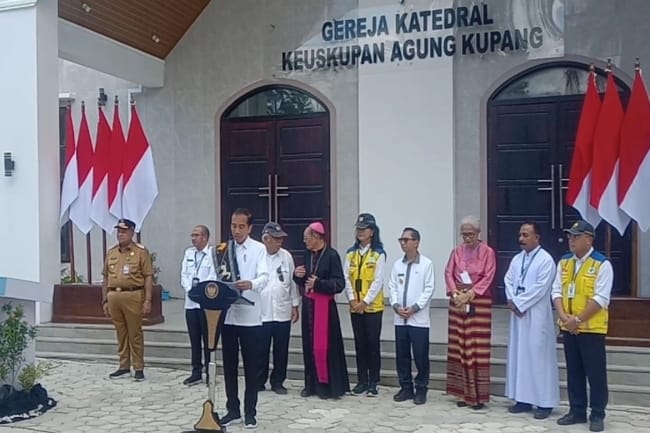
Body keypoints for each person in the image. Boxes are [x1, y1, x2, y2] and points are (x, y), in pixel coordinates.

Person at [551, 220, 613, 433]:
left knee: (595, 373)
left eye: (576, 237)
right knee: (574, 371)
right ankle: (577, 410)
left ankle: (597, 413)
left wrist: (577, 320)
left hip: (591, 329)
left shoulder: (601, 264)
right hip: (568, 327)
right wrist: (564, 318)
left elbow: (600, 298)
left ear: (589, 239)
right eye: (570, 237)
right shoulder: (564, 262)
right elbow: (556, 291)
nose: (571, 240)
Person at [219, 209, 269, 429]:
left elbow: (265, 277)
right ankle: (233, 409)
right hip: (229, 316)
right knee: (229, 366)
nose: (236, 230)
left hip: (250, 317)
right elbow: (216, 277)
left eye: (241, 226)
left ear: (249, 228)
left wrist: (251, 284)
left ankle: (251, 411)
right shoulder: (222, 250)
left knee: (251, 367)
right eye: (233, 226)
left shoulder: (259, 249)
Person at [504, 222, 560, 419]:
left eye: (526, 235)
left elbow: (541, 288)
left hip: (536, 316)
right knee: (520, 355)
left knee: (538, 357)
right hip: (518, 316)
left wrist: (520, 303)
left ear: (537, 237)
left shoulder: (546, 260)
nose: (521, 239)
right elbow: (508, 280)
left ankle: (544, 402)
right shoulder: (517, 259)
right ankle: (523, 399)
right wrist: (512, 301)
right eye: (520, 235)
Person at [444, 215, 496, 409]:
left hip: (479, 303)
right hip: (458, 301)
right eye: (464, 235)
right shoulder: (456, 251)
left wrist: (471, 294)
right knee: (459, 346)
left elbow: (489, 275)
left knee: (476, 348)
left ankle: (478, 396)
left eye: (470, 234)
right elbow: (448, 272)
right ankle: (462, 393)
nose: (467, 238)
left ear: (478, 234)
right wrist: (456, 293)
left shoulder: (488, 252)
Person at [293, 221, 349, 399]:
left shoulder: (332, 255)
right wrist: (298, 276)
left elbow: (339, 284)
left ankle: (327, 387)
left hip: (325, 309)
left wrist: (319, 284)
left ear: (316, 237)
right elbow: (304, 281)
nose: (305, 242)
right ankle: (310, 385)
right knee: (308, 347)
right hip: (309, 306)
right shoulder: (307, 254)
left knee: (326, 348)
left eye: (306, 238)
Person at [101, 218, 153, 382]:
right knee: (120, 333)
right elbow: (105, 277)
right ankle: (123, 366)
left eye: (124, 231)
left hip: (133, 295)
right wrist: (105, 300)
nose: (120, 234)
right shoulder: (111, 252)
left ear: (132, 232)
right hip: (114, 295)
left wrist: (148, 300)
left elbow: (148, 276)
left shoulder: (140, 251)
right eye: (119, 231)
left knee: (134, 333)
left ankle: (138, 367)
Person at [388, 227, 435, 405]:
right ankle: (406, 387)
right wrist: (395, 305)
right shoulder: (397, 264)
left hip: (418, 319)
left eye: (407, 240)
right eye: (401, 240)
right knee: (402, 355)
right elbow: (392, 287)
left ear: (416, 242)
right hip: (400, 318)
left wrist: (415, 307)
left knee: (421, 355)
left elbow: (429, 289)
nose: (403, 243)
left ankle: (421, 388)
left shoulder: (426, 264)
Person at [344, 213, 386, 397]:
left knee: (372, 344)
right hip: (355, 306)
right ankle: (361, 380)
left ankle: (373, 382)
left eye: (364, 229)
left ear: (372, 231)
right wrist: (353, 300)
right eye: (358, 229)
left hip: (372, 308)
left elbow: (378, 281)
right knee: (359, 344)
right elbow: (346, 278)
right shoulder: (351, 253)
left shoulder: (378, 254)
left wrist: (365, 302)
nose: (361, 232)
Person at [258, 222, 300, 394]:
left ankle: (278, 381)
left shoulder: (286, 256)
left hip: (282, 309)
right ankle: (259, 380)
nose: (279, 242)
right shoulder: (258, 255)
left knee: (281, 348)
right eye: (276, 239)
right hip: (262, 310)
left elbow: (291, 282)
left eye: (281, 239)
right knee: (260, 348)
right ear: (266, 239)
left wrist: (295, 305)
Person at [180, 225, 217, 386]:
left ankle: (210, 373)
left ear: (205, 237)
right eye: (192, 235)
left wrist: (201, 292)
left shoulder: (213, 254)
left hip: (206, 303)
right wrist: (191, 289)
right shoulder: (189, 253)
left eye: (196, 235)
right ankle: (196, 371)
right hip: (190, 303)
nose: (193, 238)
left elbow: (213, 276)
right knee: (194, 339)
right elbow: (184, 275)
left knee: (208, 340)